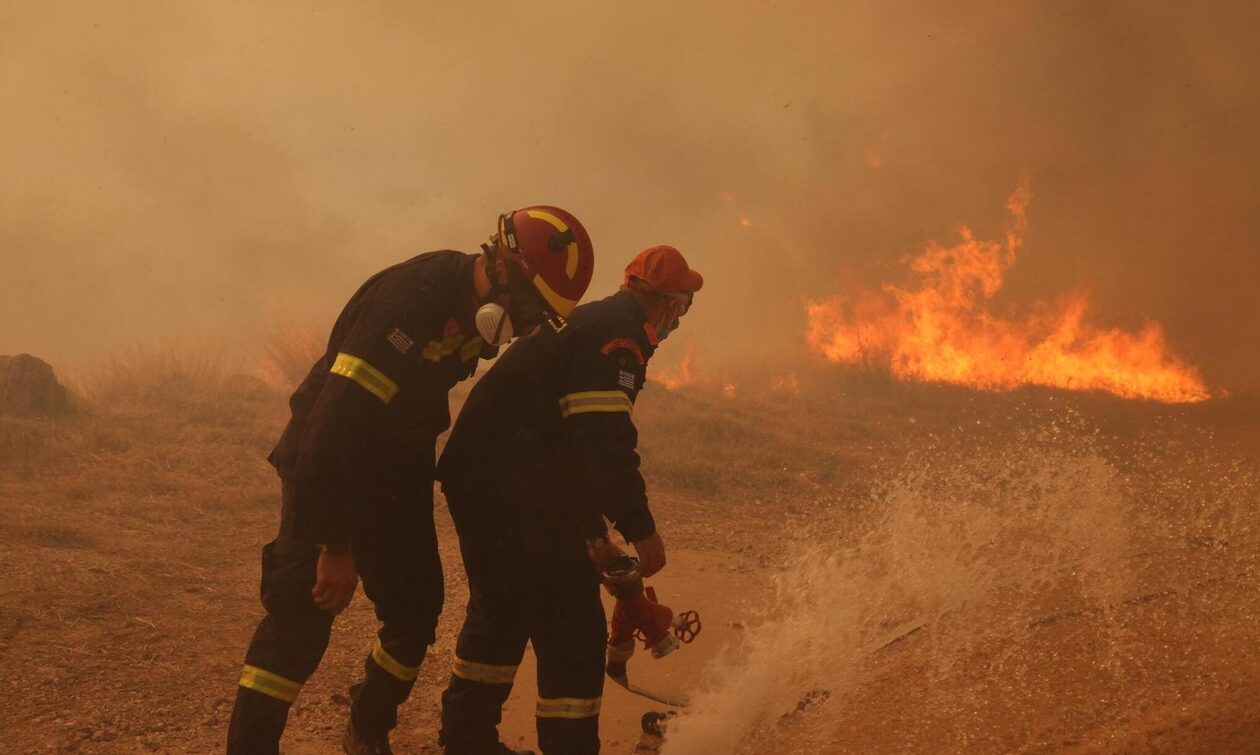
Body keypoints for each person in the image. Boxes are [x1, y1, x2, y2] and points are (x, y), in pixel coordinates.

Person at [226, 207, 595, 755]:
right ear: (502, 271)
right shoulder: (407, 305)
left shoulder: (476, 313)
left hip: (395, 470)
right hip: (329, 465)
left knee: (417, 607)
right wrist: (335, 544)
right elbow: (335, 429)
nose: (530, 327)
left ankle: (366, 728)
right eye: (531, 309)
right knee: (302, 618)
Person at [434, 245, 702, 755]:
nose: (677, 320)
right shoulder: (618, 337)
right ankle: (569, 745)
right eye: (680, 307)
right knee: (572, 623)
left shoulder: (588, 321)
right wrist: (640, 528)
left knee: (503, 604)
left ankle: (466, 740)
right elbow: (602, 442)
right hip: (514, 484)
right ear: (658, 299)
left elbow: (568, 443)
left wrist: (596, 537)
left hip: (488, 478)